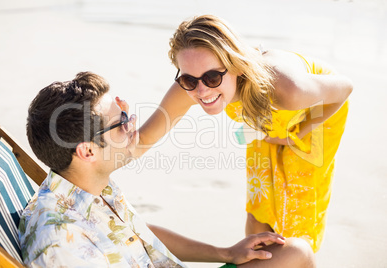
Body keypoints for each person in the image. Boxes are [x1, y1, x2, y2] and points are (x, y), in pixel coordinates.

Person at [19, 72, 315, 267]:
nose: (131, 123)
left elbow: (137, 232)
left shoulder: (89, 186)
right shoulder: (61, 243)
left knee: (294, 251)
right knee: (297, 255)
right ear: (87, 151)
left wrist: (225, 252)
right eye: (121, 122)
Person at [136, 15, 353, 253]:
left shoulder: (288, 90)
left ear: (236, 66)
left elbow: (345, 89)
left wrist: (299, 132)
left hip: (314, 117)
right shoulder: (191, 87)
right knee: (259, 211)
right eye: (188, 79)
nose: (201, 90)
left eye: (212, 77)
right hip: (262, 119)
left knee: (295, 220)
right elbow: (143, 139)